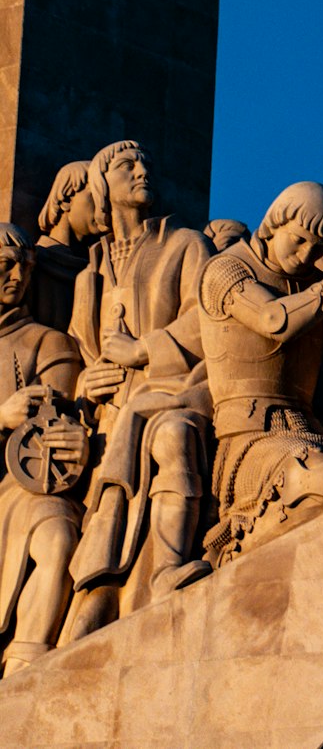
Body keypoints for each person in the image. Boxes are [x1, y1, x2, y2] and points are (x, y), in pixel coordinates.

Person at [198, 182, 323, 564]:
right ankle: (231, 556)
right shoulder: (226, 270)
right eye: (300, 240)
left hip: (308, 431)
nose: (307, 255)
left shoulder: (313, 284)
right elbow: (274, 319)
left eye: (319, 249)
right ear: (277, 221)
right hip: (249, 441)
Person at [62, 141, 213, 640]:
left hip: (176, 393)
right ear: (104, 184)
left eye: (145, 161)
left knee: (169, 437)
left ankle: (163, 573)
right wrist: (87, 382)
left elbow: (210, 318)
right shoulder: (90, 275)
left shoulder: (184, 244)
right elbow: (81, 357)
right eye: (127, 165)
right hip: (107, 426)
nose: (143, 170)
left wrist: (145, 350)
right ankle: (97, 594)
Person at [0, 224, 85, 675]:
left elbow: (51, 442)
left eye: (24, 267)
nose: (16, 276)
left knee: (56, 534)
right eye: (3, 266)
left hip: (18, 491)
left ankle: (24, 665)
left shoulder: (48, 343)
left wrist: (75, 444)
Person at [31, 161, 98, 332]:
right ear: (67, 199)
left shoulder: (96, 268)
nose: (103, 208)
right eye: (95, 197)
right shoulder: (32, 264)